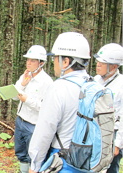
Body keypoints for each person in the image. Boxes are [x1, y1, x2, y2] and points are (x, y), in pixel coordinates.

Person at [28, 32, 91, 173]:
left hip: (63, 159)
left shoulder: (58, 88)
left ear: (66, 61)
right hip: (88, 159)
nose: (54, 63)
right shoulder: (93, 85)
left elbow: (45, 130)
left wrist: (35, 165)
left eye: (56, 58)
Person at [13, 45, 53, 173]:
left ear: (41, 63)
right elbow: (14, 96)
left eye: (33, 60)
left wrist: (27, 100)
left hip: (34, 125)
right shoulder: (25, 76)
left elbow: (46, 108)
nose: (28, 63)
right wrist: (22, 84)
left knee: (34, 156)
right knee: (21, 153)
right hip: (21, 120)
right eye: (28, 60)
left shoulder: (47, 82)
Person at [94, 43, 123, 173]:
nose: (98, 65)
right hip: (95, 131)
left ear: (114, 66)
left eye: (102, 63)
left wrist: (118, 144)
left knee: (110, 169)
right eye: (98, 61)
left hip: (112, 133)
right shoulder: (95, 81)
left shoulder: (121, 85)